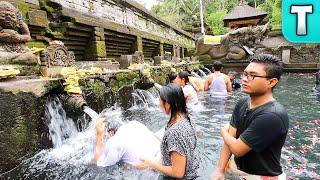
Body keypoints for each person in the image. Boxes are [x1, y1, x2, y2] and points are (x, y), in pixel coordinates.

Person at [211, 54, 289, 179]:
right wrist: (220, 170)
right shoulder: (243, 103)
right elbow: (230, 139)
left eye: (252, 76)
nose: (244, 79)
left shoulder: (272, 115)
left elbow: (237, 149)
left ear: (271, 82)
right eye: (245, 74)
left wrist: (222, 131)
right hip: (243, 172)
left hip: (263, 177)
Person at [135, 83, 199, 179]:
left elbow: (178, 173)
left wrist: (151, 164)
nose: (159, 104)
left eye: (160, 100)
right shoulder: (187, 118)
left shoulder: (175, 133)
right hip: (192, 169)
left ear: (168, 104)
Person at [94, 118, 161, 167]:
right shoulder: (134, 123)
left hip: (151, 170)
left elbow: (99, 163)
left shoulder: (116, 143)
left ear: (111, 133)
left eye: (106, 135)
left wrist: (99, 135)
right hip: (161, 156)